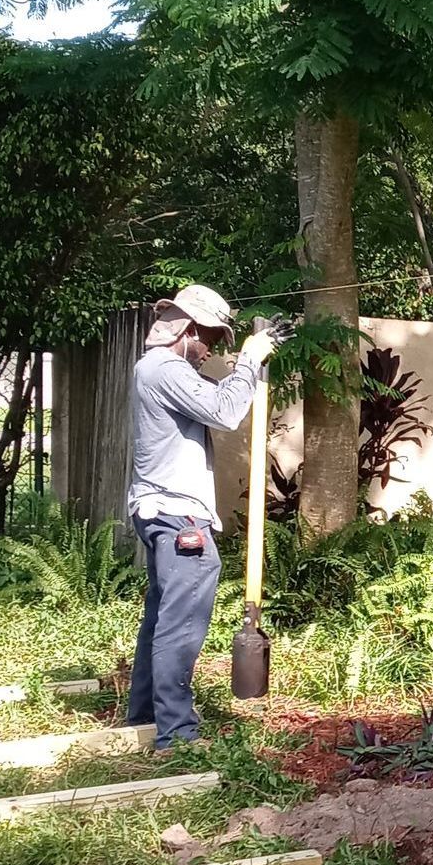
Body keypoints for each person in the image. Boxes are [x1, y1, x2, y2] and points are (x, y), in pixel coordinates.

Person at [126, 284, 278, 748]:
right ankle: (176, 734)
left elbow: (219, 392)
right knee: (181, 623)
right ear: (188, 330)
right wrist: (251, 357)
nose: (211, 348)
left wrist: (252, 362)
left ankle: (145, 717)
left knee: (162, 616)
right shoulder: (166, 369)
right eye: (209, 336)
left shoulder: (155, 369)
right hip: (178, 518)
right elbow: (226, 411)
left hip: (159, 511)